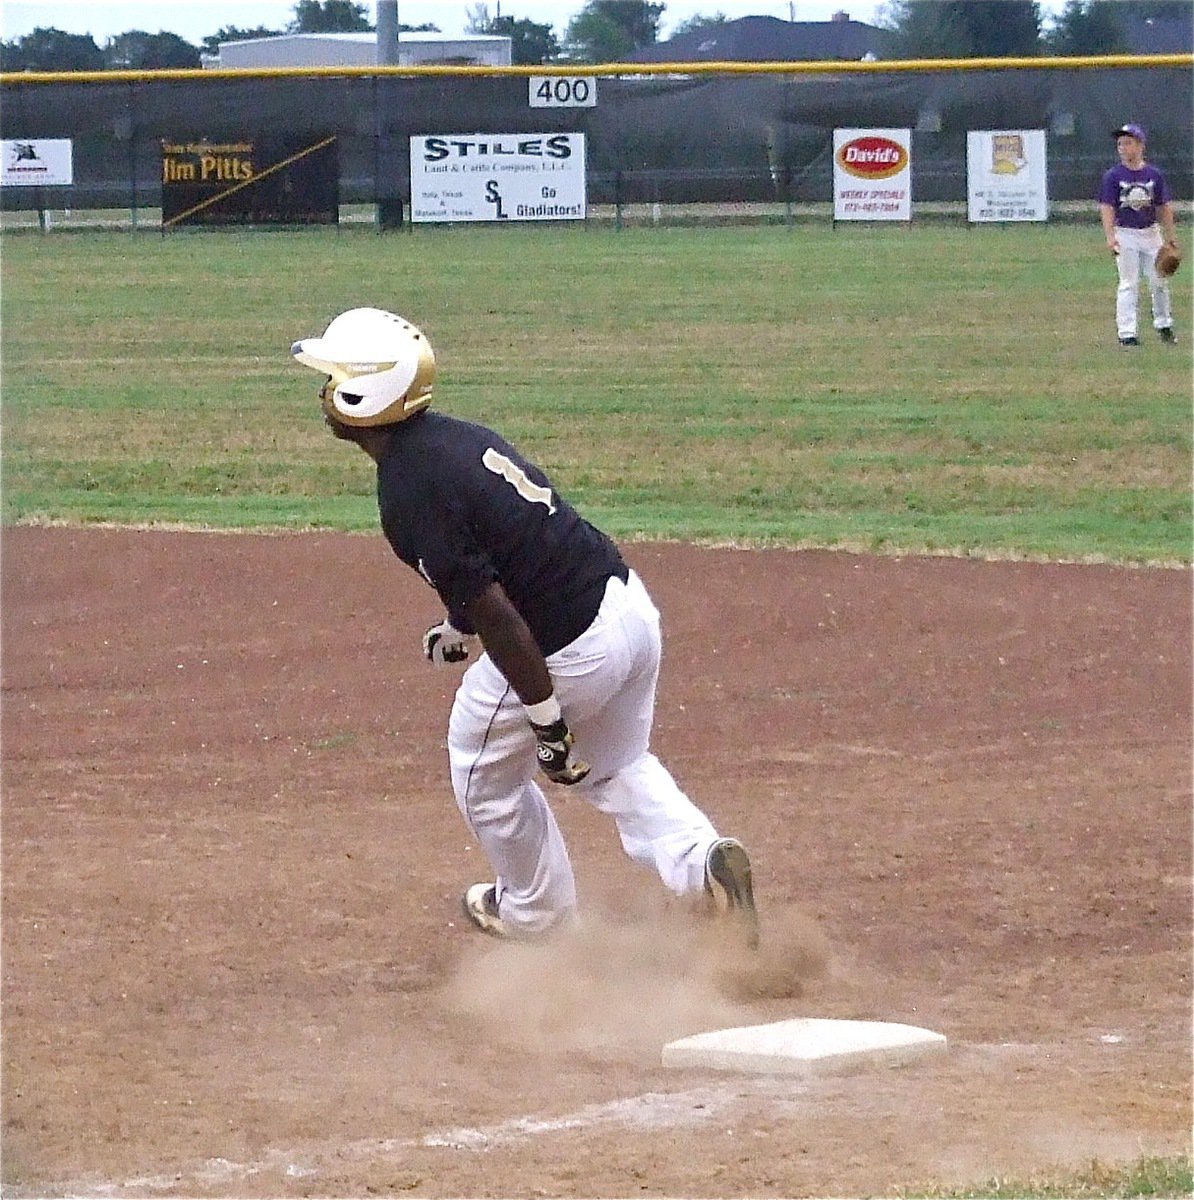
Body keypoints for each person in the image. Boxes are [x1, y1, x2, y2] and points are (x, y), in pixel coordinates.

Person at [291, 307, 759, 946]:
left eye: (334, 377)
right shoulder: (453, 437)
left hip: (562, 645)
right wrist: (460, 622)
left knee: (481, 773)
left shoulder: (407, 490)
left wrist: (547, 724)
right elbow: (504, 553)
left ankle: (535, 915)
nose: (323, 392)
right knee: (618, 765)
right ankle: (701, 861)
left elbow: (502, 619)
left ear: (365, 391)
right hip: (625, 608)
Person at [1098, 122, 1180, 347]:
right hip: (1125, 234)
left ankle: (1163, 324)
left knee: (1159, 280)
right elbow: (1107, 207)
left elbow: (1164, 206)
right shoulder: (1113, 176)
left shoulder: (1153, 174)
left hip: (1151, 234)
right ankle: (1127, 333)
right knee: (1128, 283)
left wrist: (1170, 236)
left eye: (1128, 142)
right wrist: (1110, 236)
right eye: (1120, 143)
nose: (1123, 147)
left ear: (1140, 145)